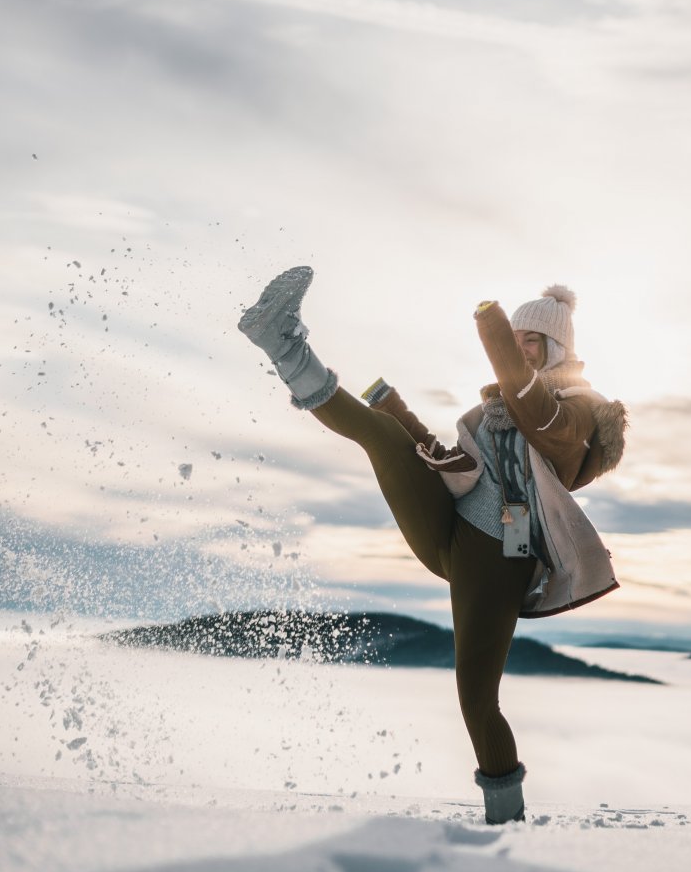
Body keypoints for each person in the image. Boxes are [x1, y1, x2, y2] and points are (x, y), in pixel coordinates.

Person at [237, 267, 626, 823]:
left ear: (557, 347)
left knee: (476, 698)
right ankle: (283, 345)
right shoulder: (498, 408)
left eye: (530, 340)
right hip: (453, 521)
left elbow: (532, 411)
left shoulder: (577, 413)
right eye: (514, 339)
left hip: (502, 548)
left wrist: (492, 323)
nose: (518, 349)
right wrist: (398, 411)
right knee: (382, 435)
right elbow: (458, 457)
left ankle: (506, 818)